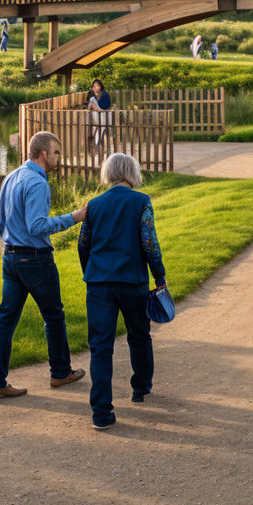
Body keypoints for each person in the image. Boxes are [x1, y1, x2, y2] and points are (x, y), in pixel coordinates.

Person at [0, 131, 90, 399]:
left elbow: (1, 224)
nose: (58, 158)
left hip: (10, 257)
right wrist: (74, 217)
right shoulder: (38, 182)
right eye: (56, 153)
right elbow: (37, 226)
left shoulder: (11, 177)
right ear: (44, 153)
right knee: (53, 316)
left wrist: (14, 243)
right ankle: (60, 373)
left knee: (5, 319)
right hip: (35, 259)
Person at [77, 152, 167, 430]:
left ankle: (101, 413)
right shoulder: (141, 201)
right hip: (132, 281)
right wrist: (159, 276)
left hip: (99, 283)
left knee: (100, 348)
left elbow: (83, 244)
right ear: (132, 173)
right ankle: (140, 388)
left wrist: (89, 271)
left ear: (109, 173)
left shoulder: (93, 205)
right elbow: (149, 242)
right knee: (139, 336)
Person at [88, 78, 114, 148]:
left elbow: (106, 108)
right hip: (95, 119)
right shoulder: (92, 98)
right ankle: (95, 142)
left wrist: (96, 109)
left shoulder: (105, 95)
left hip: (104, 119)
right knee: (95, 127)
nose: (97, 88)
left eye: (98, 86)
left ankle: (96, 143)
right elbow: (89, 109)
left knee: (101, 127)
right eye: (94, 86)